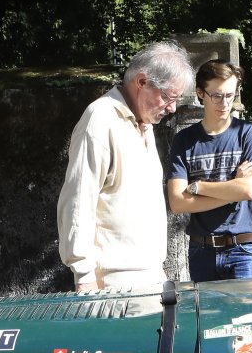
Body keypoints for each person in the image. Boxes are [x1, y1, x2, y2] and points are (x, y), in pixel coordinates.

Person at [57, 40, 194, 291]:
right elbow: (78, 200)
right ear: (142, 82)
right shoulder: (100, 119)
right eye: (167, 97)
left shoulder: (144, 124)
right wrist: (84, 276)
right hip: (113, 282)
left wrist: (156, 269)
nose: (172, 108)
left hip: (149, 276)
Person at [166, 60, 252, 282]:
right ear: (200, 93)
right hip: (201, 250)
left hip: (244, 249)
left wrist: (198, 187)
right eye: (217, 96)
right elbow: (178, 203)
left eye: (230, 95)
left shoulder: (249, 133)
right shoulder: (184, 140)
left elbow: (249, 190)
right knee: (205, 308)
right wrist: (233, 190)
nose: (225, 103)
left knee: (247, 308)